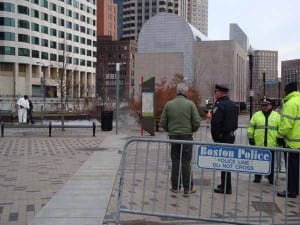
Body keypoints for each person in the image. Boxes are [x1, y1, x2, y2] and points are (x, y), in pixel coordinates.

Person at [160, 83, 201, 195]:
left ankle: (175, 187)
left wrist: (170, 130)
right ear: (185, 92)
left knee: (175, 161)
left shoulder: (169, 104)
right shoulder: (190, 104)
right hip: (187, 136)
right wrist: (191, 129)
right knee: (186, 162)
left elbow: (162, 122)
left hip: (173, 137)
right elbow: (197, 121)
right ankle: (188, 188)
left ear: (177, 92)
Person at [211, 84, 238, 194]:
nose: (215, 94)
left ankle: (226, 187)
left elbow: (216, 123)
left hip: (222, 137)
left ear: (220, 92)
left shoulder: (220, 105)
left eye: (216, 92)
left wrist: (217, 136)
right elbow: (235, 123)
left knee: (224, 162)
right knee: (227, 162)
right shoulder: (232, 105)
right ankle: (225, 184)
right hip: (230, 136)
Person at [247, 97, 280, 184]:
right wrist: (250, 138)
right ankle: (257, 177)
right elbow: (250, 127)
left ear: (271, 106)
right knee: (258, 162)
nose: (264, 107)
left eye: (266, 105)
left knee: (271, 163)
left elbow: (280, 129)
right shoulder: (256, 115)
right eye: (262, 105)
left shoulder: (276, 116)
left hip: (271, 144)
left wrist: (280, 139)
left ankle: (271, 178)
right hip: (259, 144)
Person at [277, 82, 300, 198]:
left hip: (292, 143)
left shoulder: (290, 103)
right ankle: (296, 189)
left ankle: (292, 190)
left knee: (292, 169)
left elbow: (286, 124)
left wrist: (279, 137)